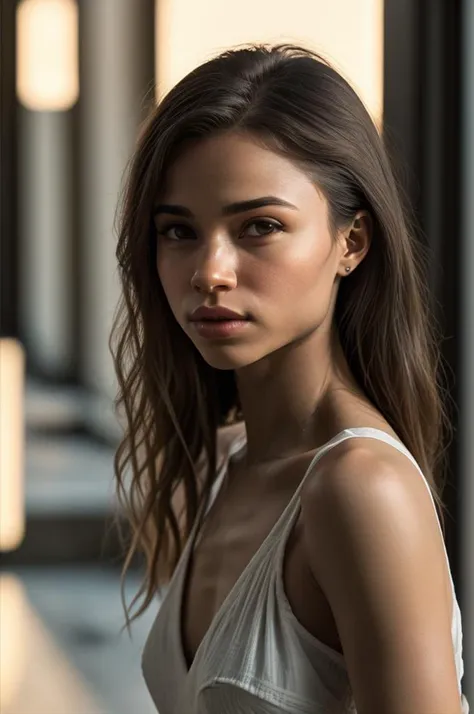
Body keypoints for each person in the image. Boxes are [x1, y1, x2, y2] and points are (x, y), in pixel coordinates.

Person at [110, 43, 469, 714]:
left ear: (351, 243)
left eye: (260, 227)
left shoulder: (363, 491)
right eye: (179, 231)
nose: (209, 271)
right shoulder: (223, 464)